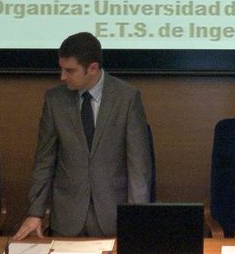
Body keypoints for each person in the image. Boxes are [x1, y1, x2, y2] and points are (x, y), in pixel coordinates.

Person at [13, 31, 152, 240]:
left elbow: (138, 166)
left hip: (112, 217)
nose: (63, 77)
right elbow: (45, 160)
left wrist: (135, 219)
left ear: (92, 68)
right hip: (67, 217)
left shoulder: (127, 98)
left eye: (70, 71)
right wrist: (36, 212)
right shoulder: (55, 100)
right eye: (62, 69)